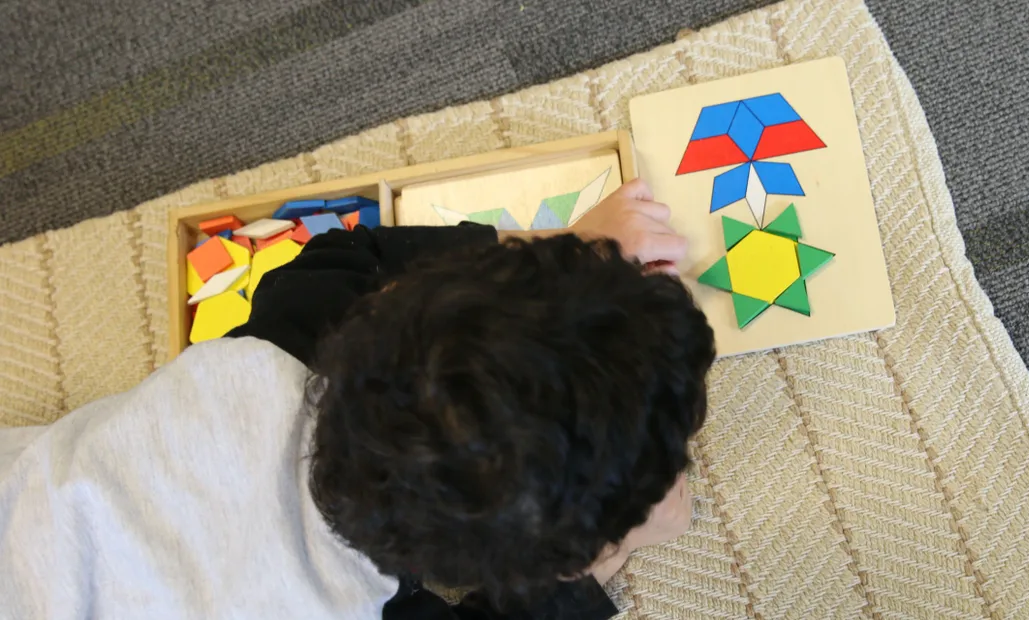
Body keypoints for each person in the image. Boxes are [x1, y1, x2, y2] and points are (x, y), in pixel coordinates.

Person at [0, 179, 716, 619]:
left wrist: (568, 247)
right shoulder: (342, 608)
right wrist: (597, 565)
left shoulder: (276, 341)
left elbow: (349, 255)